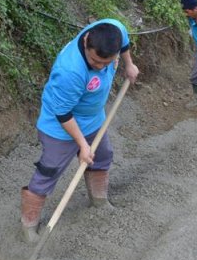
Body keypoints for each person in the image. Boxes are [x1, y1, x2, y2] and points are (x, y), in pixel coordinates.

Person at [19, 19, 140, 242]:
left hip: (93, 119)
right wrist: (83, 145)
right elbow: (63, 114)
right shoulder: (70, 71)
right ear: (86, 41)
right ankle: (29, 225)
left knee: (102, 157)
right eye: (95, 61)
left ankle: (99, 201)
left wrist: (128, 64)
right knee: (50, 170)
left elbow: (123, 41)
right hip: (59, 126)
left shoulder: (112, 29)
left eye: (107, 63)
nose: (100, 67)